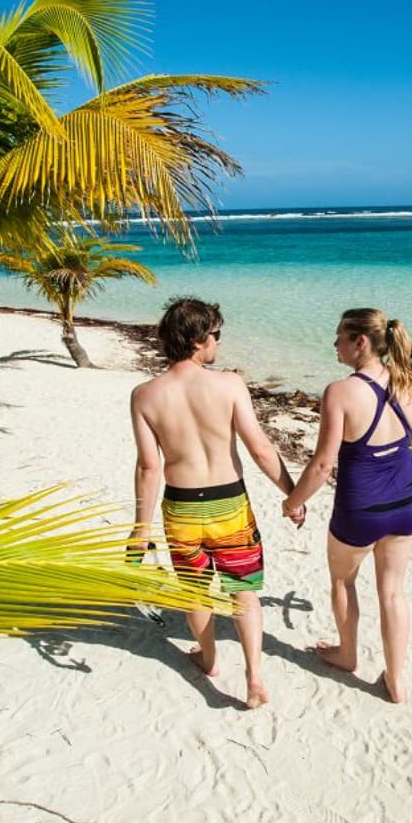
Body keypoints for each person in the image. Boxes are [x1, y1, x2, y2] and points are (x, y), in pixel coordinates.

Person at [129, 296, 301, 709]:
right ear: (198, 339)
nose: (218, 343)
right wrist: (292, 494)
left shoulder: (144, 395)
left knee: (194, 591)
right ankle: (255, 676)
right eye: (216, 334)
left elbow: (149, 467)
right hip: (230, 506)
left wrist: (140, 528)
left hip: (182, 507)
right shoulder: (228, 384)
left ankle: (207, 658)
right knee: (244, 593)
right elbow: (260, 448)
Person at [282, 308, 412, 703]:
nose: (334, 344)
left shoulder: (339, 393)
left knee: (343, 582)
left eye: (340, 337)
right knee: (393, 593)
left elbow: (323, 465)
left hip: (359, 510)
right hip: (405, 504)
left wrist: (293, 502)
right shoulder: (411, 386)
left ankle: (347, 654)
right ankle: (395, 679)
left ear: (360, 343)